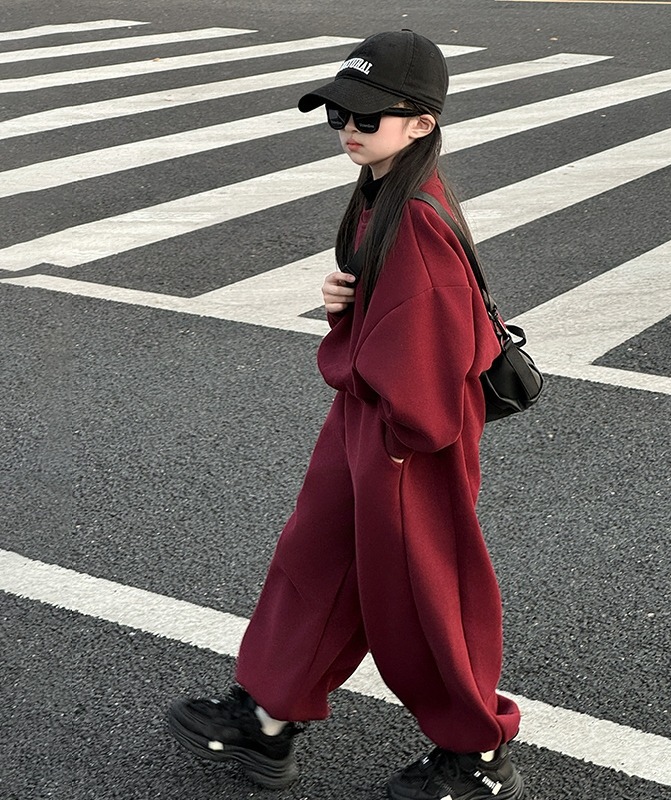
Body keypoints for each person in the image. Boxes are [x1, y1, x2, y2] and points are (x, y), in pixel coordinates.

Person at [167, 30, 526, 800]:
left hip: (409, 431)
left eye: (367, 117)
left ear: (421, 123)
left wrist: (399, 433)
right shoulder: (383, 191)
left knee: (424, 591)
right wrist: (349, 308)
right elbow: (399, 319)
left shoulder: (416, 216)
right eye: (338, 115)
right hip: (372, 414)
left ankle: (479, 754)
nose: (348, 130)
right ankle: (268, 716)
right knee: (318, 556)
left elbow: (433, 343)